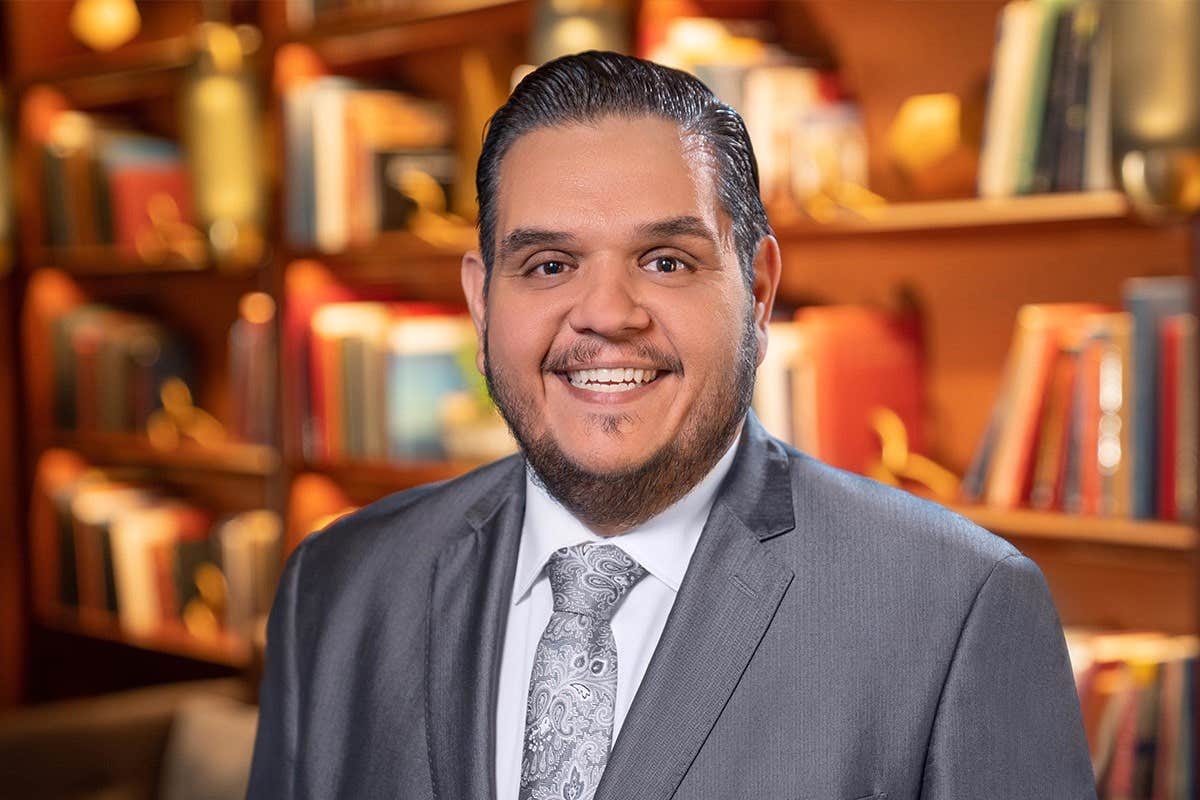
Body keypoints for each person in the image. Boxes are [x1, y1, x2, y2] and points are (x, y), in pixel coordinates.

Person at [247, 51, 1096, 800]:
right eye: (549, 264)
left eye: (666, 262)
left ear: (758, 293)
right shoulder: (336, 587)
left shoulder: (956, 608)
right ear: (480, 301)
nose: (607, 314)